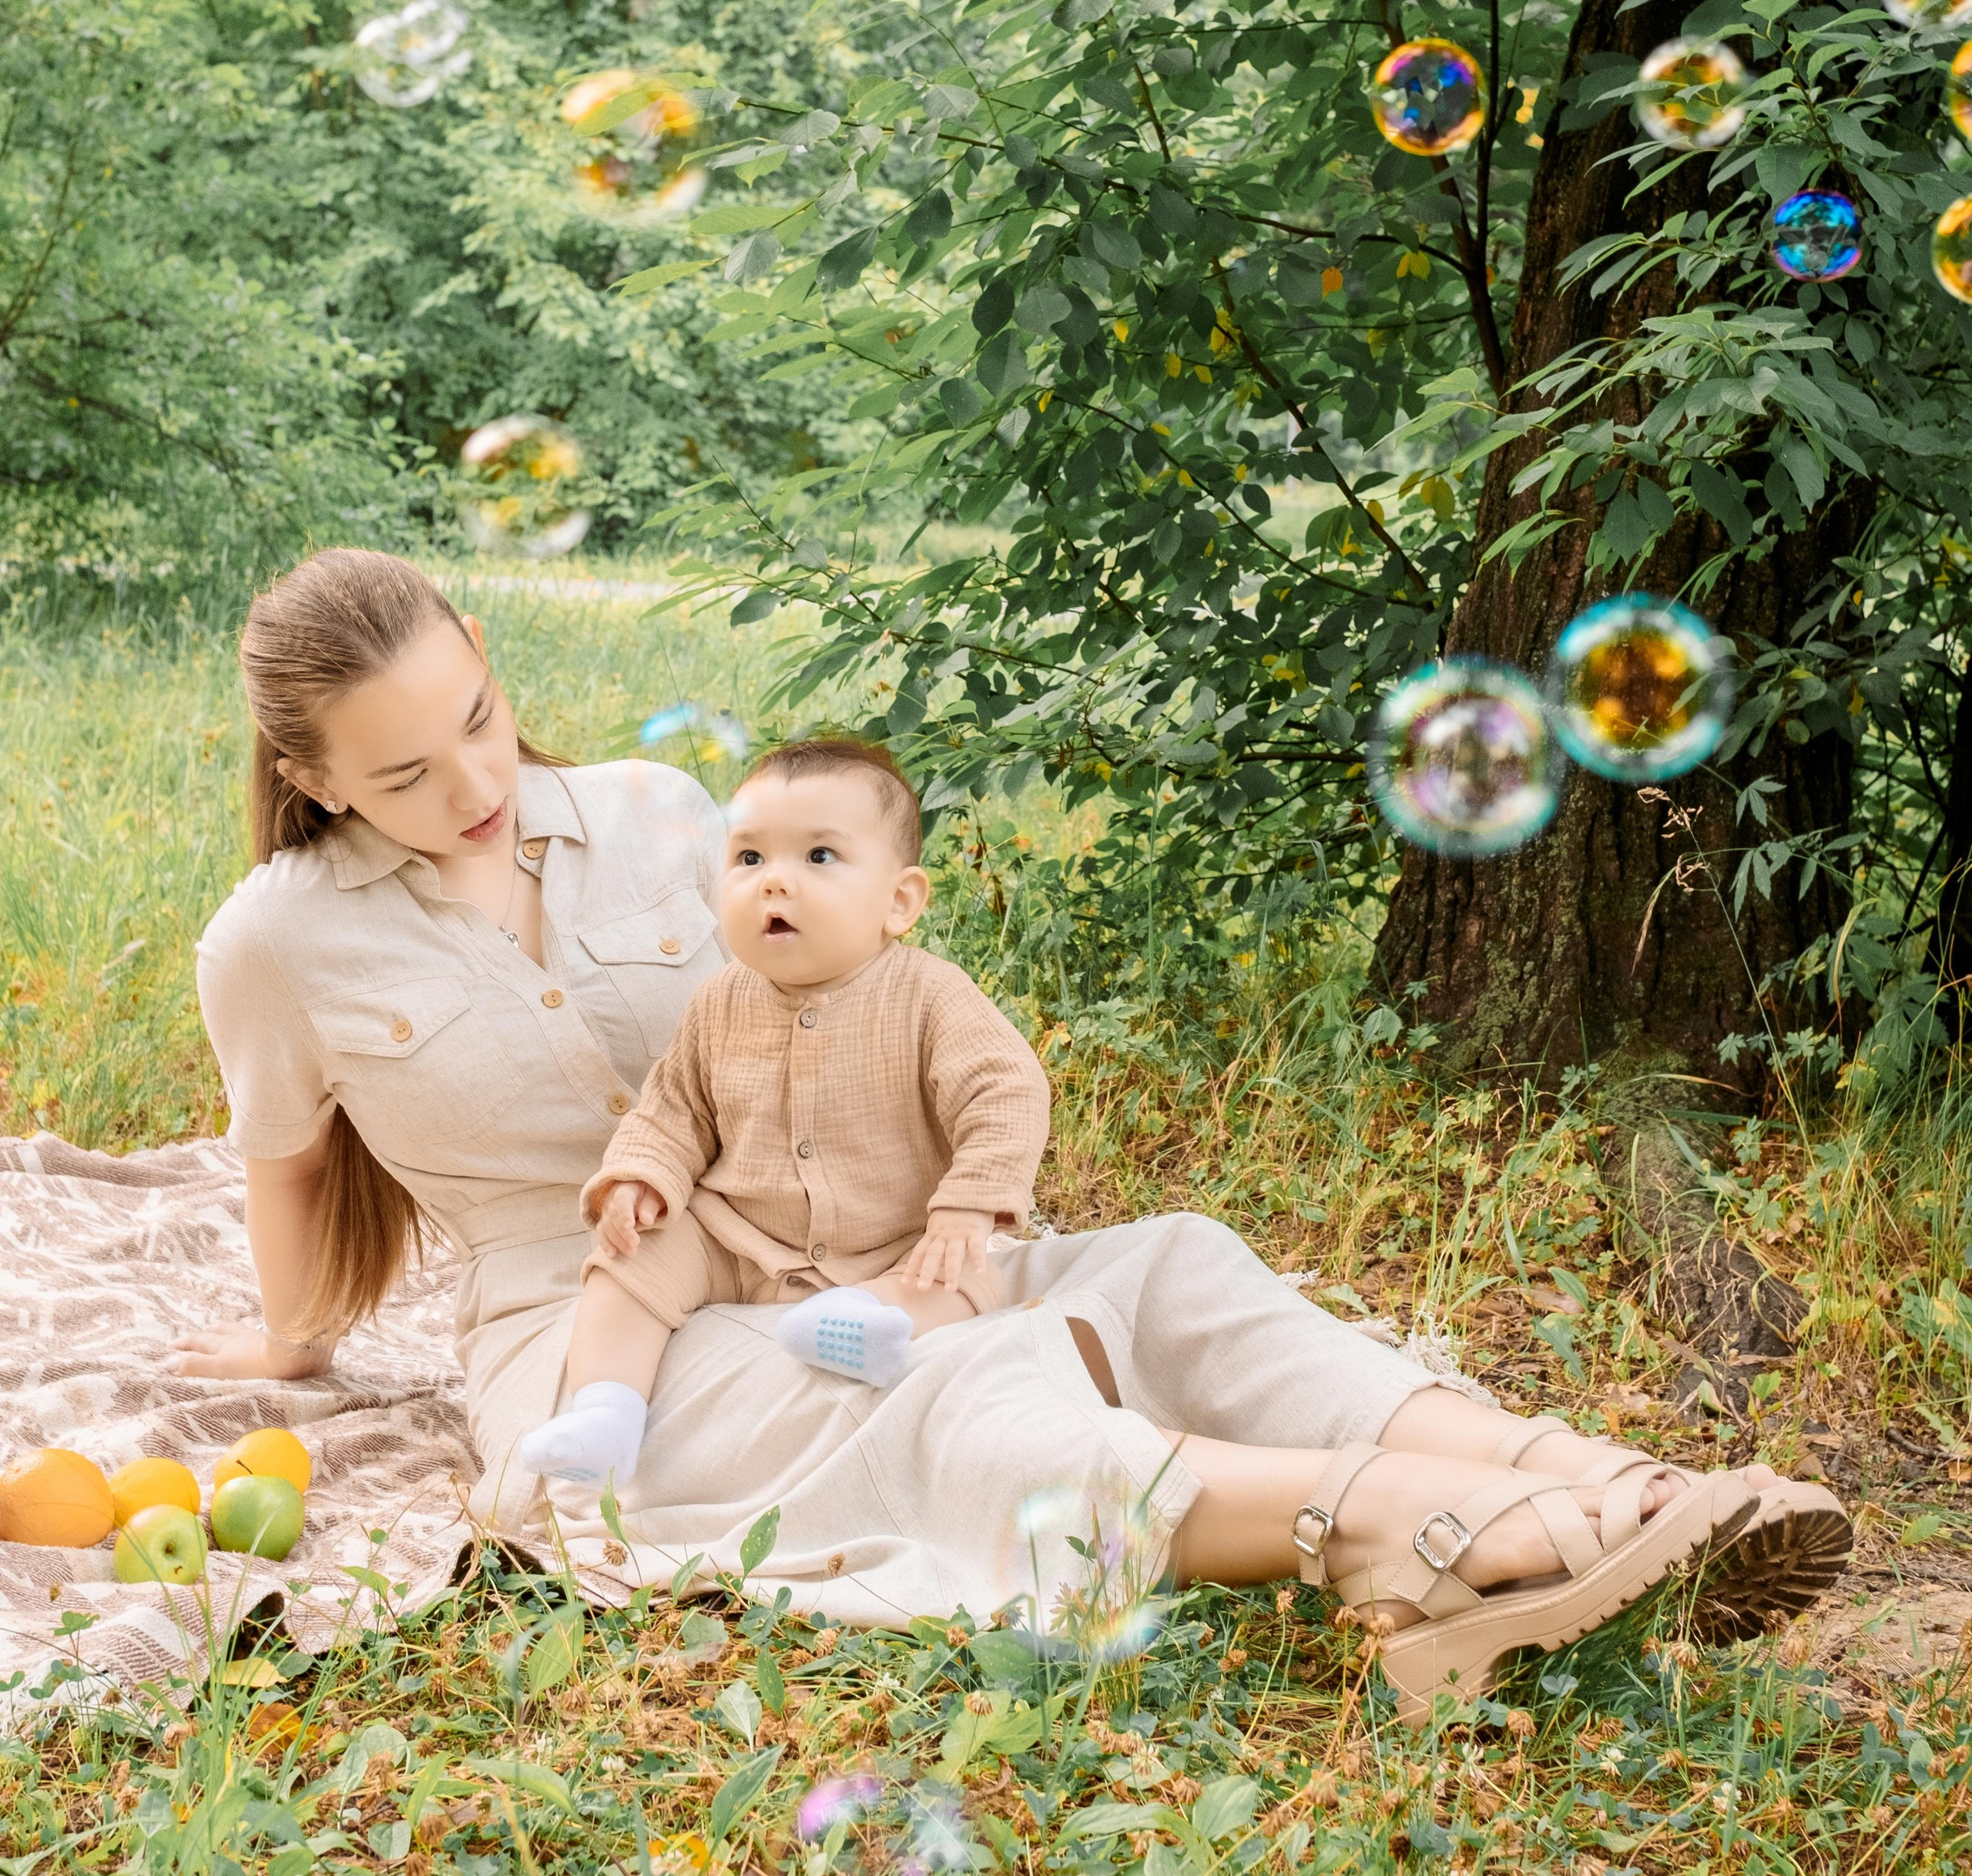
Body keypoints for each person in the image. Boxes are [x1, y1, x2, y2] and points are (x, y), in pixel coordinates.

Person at [177, 548, 1851, 1724]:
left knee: (1173, 1269)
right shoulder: (276, 941)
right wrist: (291, 1342)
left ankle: (1606, 1486)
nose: (471, 781)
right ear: (314, 781)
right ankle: (1396, 1526)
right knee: (951, 1387)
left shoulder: (661, 814)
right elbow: (290, 1167)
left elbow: (828, 1011)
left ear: (481, 646)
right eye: (404, 774)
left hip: (823, 1236)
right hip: (592, 1327)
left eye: (477, 715)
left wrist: (946, 1215)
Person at [515, 738, 1052, 1489]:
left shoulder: (929, 996)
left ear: (898, 902)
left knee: (958, 1277)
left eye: (819, 857)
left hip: (894, 1241)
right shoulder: (718, 1001)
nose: (774, 881)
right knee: (628, 1262)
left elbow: (1005, 1092)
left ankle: (873, 1324)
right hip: (739, 1238)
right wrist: (640, 1179)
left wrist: (966, 1204)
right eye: (749, 858)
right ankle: (606, 1411)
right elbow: (674, 1111)